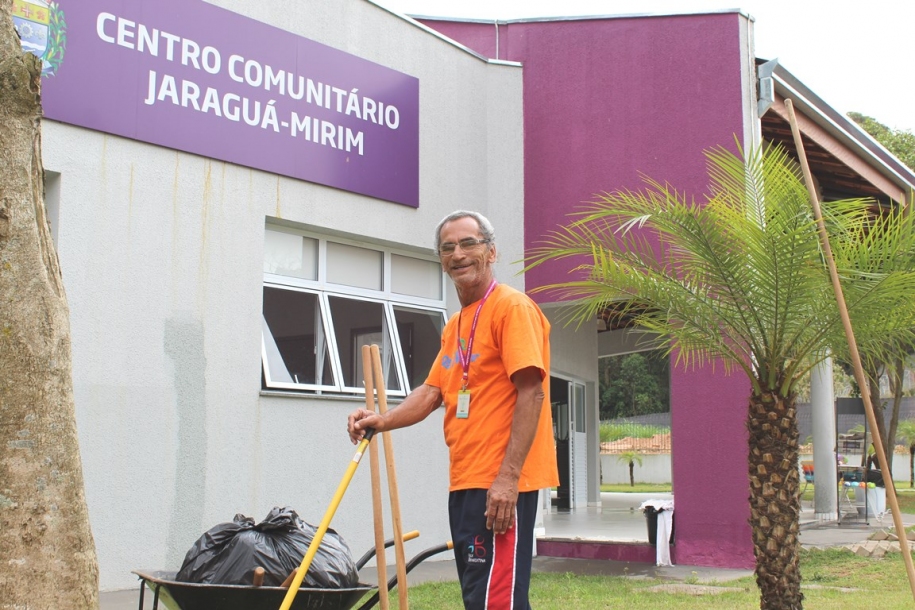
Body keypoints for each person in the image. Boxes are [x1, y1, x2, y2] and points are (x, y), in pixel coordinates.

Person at [347, 210, 559, 609]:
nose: (457, 254)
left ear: (491, 251)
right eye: (447, 247)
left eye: (468, 243)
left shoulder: (512, 309)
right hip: (467, 480)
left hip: (501, 484)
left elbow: (532, 392)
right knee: (479, 595)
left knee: (498, 601)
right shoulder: (456, 325)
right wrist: (383, 420)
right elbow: (431, 392)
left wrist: (508, 479)